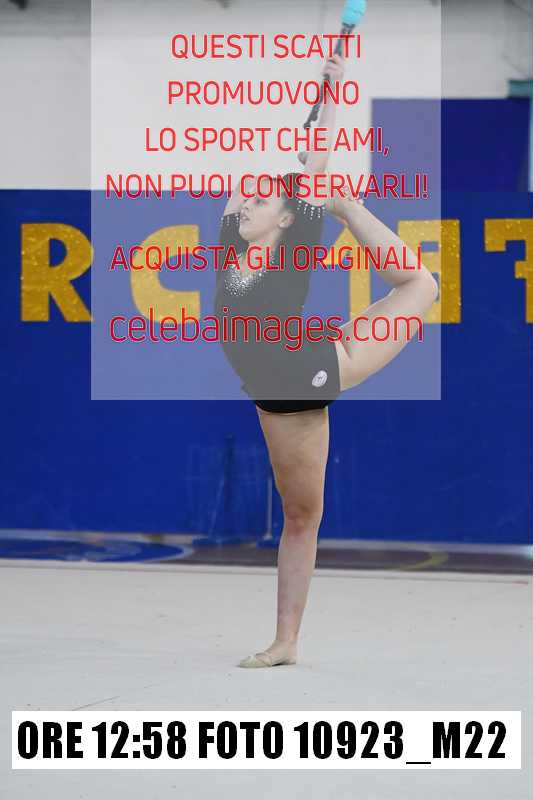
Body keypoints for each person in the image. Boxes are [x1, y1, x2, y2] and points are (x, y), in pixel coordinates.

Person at [213, 55, 439, 667]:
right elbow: (271, 174)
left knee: (421, 285)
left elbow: (314, 161)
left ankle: (350, 207)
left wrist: (333, 91)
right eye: (246, 198)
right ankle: (286, 642)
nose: (245, 202)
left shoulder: (294, 247)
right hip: (272, 391)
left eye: (260, 200)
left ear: (287, 219)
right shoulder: (231, 243)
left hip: (311, 376)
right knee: (299, 515)